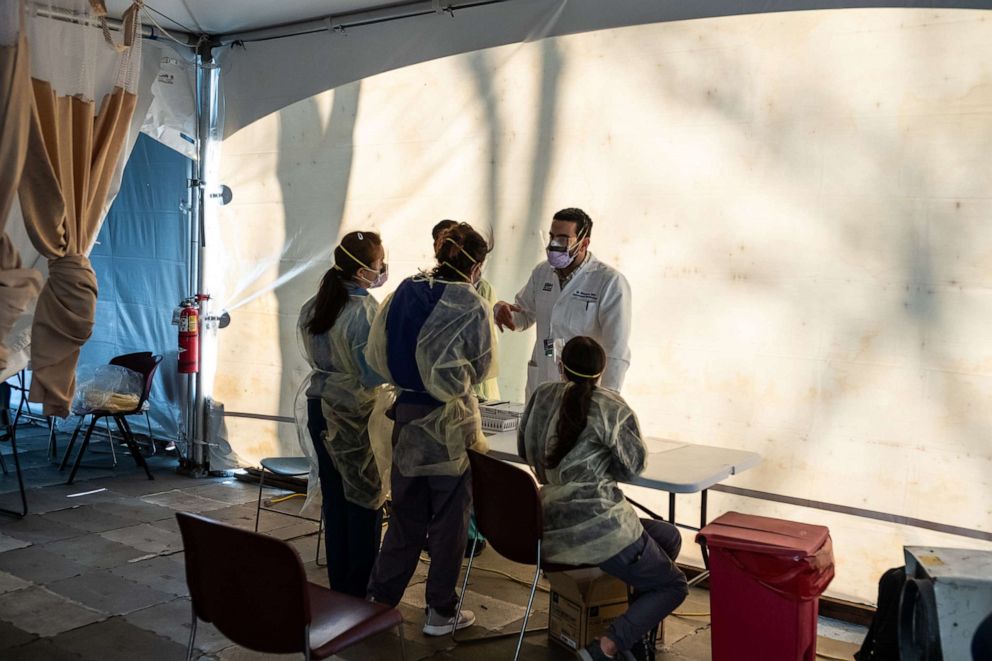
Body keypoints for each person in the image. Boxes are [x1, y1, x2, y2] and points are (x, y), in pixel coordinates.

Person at [518, 336, 687, 661]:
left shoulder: (541, 396)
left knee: (667, 536)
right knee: (674, 585)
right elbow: (633, 466)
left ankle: (631, 637)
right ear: (602, 371)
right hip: (599, 529)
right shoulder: (612, 407)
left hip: (550, 523)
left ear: (560, 367)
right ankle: (606, 647)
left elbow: (526, 450)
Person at [365, 222, 496, 636]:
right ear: (476, 263)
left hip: (407, 415)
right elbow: (481, 366)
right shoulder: (471, 303)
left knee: (404, 517)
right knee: (449, 522)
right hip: (450, 426)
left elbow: (379, 349)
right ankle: (440, 611)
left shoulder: (405, 290)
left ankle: (380, 602)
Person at [298, 231, 391, 598]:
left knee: (335, 498)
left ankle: (341, 585)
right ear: (364, 270)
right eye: (379, 263)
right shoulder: (366, 312)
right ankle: (361, 586)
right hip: (353, 412)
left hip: (320, 404)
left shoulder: (316, 303)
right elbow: (373, 371)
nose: (383, 268)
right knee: (365, 499)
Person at [494, 207, 631, 400]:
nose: (553, 244)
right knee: (539, 429)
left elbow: (617, 349)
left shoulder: (609, 282)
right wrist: (505, 313)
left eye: (562, 238)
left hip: (584, 388)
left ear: (584, 243)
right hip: (542, 380)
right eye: (551, 237)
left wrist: (606, 398)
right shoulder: (542, 272)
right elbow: (524, 316)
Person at [433, 219, 500, 401]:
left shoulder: (411, 289)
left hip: (414, 403)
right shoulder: (475, 303)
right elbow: (482, 365)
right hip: (459, 399)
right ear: (476, 266)